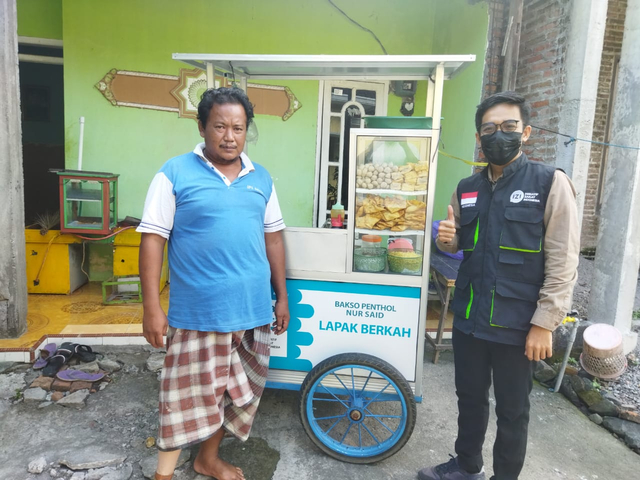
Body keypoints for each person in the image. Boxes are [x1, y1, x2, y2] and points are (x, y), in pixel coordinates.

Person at [418, 91, 579, 480]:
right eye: (489, 129)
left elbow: (564, 259)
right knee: (470, 399)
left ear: (525, 133)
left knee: (512, 409)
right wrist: (447, 240)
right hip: (471, 317)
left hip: (518, 323)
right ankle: (467, 465)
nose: (498, 135)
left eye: (508, 127)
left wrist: (545, 322)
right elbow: (459, 245)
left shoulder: (549, 183)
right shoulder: (467, 187)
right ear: (479, 137)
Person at [137, 87, 289, 480]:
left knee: (233, 392)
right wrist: (151, 307)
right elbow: (153, 239)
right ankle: (164, 474)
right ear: (202, 126)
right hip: (198, 313)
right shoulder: (173, 172)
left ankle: (207, 458)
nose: (229, 136)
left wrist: (281, 297)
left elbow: (273, 237)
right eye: (220, 126)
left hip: (252, 310)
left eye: (238, 128)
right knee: (182, 397)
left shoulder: (262, 178)